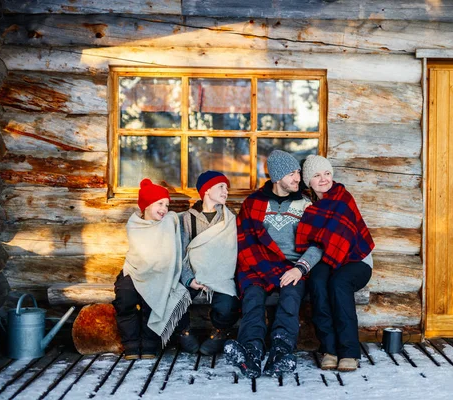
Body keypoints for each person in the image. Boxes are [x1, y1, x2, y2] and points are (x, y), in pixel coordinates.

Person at [224, 150, 323, 378]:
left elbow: (318, 243)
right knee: (252, 299)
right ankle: (252, 351)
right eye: (292, 174)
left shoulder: (306, 205)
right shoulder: (254, 203)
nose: (298, 178)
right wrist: (265, 272)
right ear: (278, 177)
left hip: (293, 267)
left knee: (290, 299)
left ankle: (281, 349)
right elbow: (245, 241)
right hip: (258, 266)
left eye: (298, 172)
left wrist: (300, 268)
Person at [296, 155, 375, 372]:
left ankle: (349, 352)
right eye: (316, 175)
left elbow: (341, 238)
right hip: (327, 258)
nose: (323, 179)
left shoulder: (343, 198)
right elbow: (315, 242)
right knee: (318, 282)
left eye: (327, 173)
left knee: (338, 283)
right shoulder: (309, 206)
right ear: (307, 181)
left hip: (356, 260)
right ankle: (329, 349)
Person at [113, 179, 192, 360]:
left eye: (166, 204)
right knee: (125, 297)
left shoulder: (169, 222)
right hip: (134, 269)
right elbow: (140, 253)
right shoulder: (134, 225)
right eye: (159, 203)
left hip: (160, 271)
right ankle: (131, 344)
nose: (164, 208)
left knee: (154, 297)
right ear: (147, 205)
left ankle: (150, 343)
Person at [177, 171, 240, 356]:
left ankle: (220, 332)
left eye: (227, 188)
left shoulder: (229, 218)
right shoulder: (187, 219)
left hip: (222, 275)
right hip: (194, 274)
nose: (225, 191)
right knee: (173, 298)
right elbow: (181, 253)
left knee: (228, 305)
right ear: (206, 190)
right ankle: (183, 332)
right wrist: (190, 280)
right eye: (221, 186)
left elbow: (232, 251)